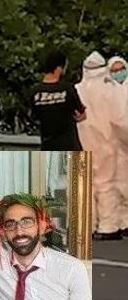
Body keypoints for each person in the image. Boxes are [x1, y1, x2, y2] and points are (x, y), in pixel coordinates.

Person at [75, 51, 125, 241]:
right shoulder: (111, 89)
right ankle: (108, 225)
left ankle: (88, 225)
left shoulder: (77, 89)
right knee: (106, 184)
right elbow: (121, 119)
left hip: (83, 140)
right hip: (108, 141)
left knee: (87, 185)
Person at [30, 49, 86, 151]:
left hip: (48, 147)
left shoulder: (35, 92)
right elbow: (81, 115)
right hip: (71, 145)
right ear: (59, 68)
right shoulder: (67, 89)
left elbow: (34, 116)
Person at [109, 56, 128, 237]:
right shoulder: (107, 90)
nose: (118, 73)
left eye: (121, 69)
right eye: (114, 70)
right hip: (110, 143)